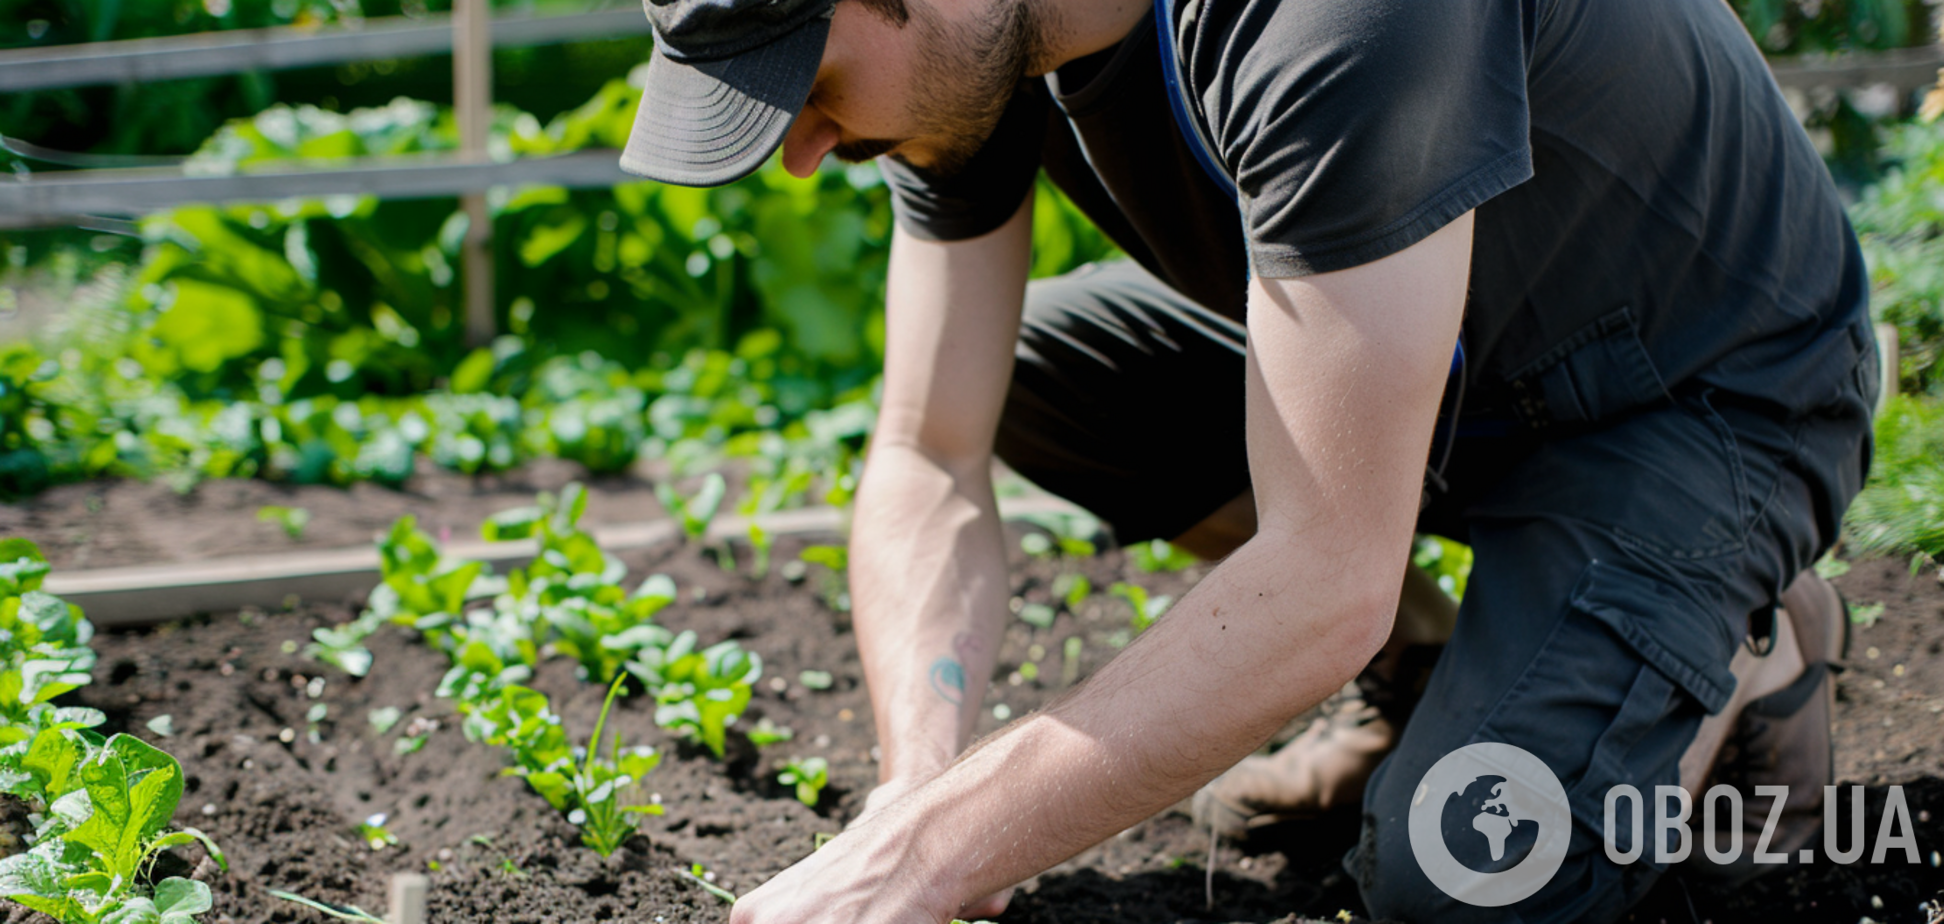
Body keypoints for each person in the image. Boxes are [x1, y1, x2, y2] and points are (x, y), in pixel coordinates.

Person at [617, 0, 1879, 917]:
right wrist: (917, 792)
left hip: (1695, 399)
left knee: (1460, 880)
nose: (796, 147)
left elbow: (1325, 574)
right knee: (1053, 378)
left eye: (804, 73)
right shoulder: (978, 50)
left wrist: (919, 867)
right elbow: (925, 447)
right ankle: (1444, 667)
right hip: (1440, 380)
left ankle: (1744, 642)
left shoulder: (1331, 16)